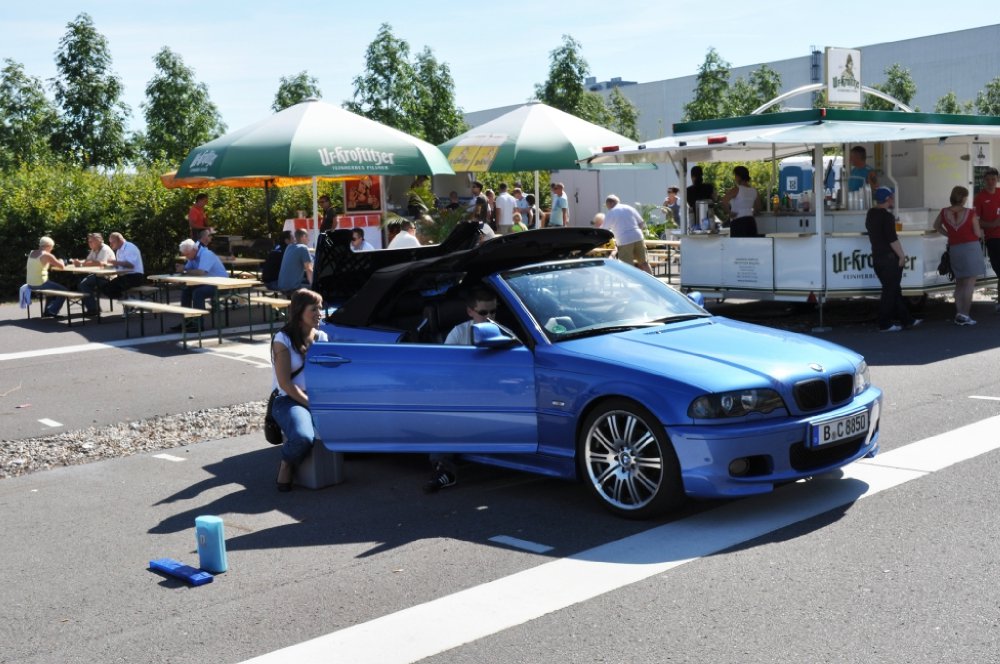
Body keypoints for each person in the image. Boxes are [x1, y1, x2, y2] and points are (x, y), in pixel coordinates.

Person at [426, 288, 499, 492]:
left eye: (493, 311)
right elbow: (445, 372)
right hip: (466, 394)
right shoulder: (459, 333)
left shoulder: (503, 331)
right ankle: (444, 471)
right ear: (470, 312)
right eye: (484, 313)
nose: (490, 317)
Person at [271, 288, 328, 492]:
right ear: (299, 312)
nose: (319, 313)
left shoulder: (322, 337)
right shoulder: (282, 339)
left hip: (315, 397)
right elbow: (285, 384)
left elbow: (325, 375)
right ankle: (287, 462)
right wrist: (312, 405)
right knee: (303, 437)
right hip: (288, 400)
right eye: (314, 309)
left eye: (320, 308)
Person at [866, 187, 921, 332]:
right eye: (891, 197)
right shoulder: (887, 217)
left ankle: (907, 320)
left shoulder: (871, 214)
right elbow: (892, 240)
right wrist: (902, 255)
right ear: (887, 199)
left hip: (877, 257)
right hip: (889, 259)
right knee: (890, 291)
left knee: (893, 290)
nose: (893, 199)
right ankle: (884, 323)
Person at [933, 185, 983, 326]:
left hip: (954, 248)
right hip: (971, 248)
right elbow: (977, 233)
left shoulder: (944, 212)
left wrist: (950, 234)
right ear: (964, 198)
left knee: (960, 282)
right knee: (969, 283)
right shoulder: (970, 213)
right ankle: (965, 314)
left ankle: (959, 313)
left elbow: (936, 225)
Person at [174, 238, 228, 328]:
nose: (186, 257)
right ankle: (187, 322)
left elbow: (201, 272)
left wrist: (184, 270)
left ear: (194, 249)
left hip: (221, 284)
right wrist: (182, 270)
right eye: (185, 255)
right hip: (208, 283)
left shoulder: (206, 254)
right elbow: (187, 271)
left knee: (198, 293)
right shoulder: (192, 256)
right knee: (186, 290)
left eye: (187, 254)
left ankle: (198, 324)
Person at [974, 166, 1000, 313]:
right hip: (993, 238)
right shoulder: (980, 198)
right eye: (988, 179)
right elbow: (976, 220)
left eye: (993, 179)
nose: (991, 182)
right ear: (984, 181)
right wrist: (992, 224)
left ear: (997, 180)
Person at [602, 195, 651, 273]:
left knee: (627, 265)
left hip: (624, 239)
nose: (607, 208)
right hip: (638, 236)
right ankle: (652, 282)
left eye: (607, 205)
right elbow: (641, 223)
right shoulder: (630, 208)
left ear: (610, 203)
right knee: (644, 263)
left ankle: (629, 284)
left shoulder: (611, 212)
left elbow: (603, 229)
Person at [25, 236, 67, 318]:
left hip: (30, 283)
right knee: (64, 290)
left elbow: (38, 264)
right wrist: (61, 260)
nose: (52, 249)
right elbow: (62, 266)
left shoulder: (32, 253)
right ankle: (52, 311)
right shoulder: (47, 255)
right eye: (51, 247)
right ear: (48, 246)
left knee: (51, 289)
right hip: (40, 283)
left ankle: (48, 311)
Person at [75, 232, 116, 315]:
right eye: (89, 241)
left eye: (91, 241)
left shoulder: (105, 249)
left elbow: (101, 263)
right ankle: (94, 307)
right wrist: (79, 262)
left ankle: (93, 309)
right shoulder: (95, 249)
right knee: (82, 283)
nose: (89, 243)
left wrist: (82, 264)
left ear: (98, 241)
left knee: (83, 284)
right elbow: (88, 260)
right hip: (98, 275)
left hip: (108, 276)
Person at [100, 232, 145, 298]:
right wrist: (108, 266)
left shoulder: (130, 248)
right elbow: (120, 267)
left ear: (119, 240)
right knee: (104, 287)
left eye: (112, 242)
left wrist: (116, 263)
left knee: (109, 288)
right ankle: (127, 301)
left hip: (135, 277)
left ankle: (128, 301)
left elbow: (131, 265)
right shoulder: (119, 251)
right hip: (125, 277)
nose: (110, 245)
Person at [722, 165, 761, 237]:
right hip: (750, 221)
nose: (735, 178)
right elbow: (758, 208)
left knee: (738, 246)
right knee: (751, 245)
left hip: (738, 222)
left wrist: (729, 213)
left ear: (738, 176)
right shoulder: (754, 191)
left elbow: (724, 201)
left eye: (735, 176)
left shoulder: (736, 190)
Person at [276, 229, 314, 294]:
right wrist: (314, 286)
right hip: (293, 288)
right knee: (320, 289)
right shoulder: (303, 248)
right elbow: (309, 269)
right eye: (307, 237)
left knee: (305, 281)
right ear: (303, 237)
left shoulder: (289, 247)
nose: (309, 239)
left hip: (281, 286)